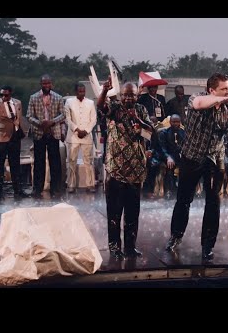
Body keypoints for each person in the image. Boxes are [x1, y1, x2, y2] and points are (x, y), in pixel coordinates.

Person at [165, 72, 228, 261]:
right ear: (211, 90)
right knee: (184, 200)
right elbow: (199, 104)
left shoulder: (227, 108)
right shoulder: (196, 98)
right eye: (224, 89)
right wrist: (217, 101)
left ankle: (207, 246)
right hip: (192, 157)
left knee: (213, 203)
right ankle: (176, 236)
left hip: (214, 160)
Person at [97, 78, 153, 260]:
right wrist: (104, 91)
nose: (129, 98)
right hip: (116, 170)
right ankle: (114, 248)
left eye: (132, 95)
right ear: (121, 96)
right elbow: (101, 107)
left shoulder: (142, 110)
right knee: (114, 213)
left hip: (136, 171)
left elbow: (150, 133)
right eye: (126, 95)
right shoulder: (114, 108)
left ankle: (130, 247)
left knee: (132, 214)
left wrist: (139, 123)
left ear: (137, 96)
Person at [27, 74, 65, 198]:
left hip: (53, 132)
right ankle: (37, 189)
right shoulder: (33, 98)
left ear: (51, 84)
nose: (46, 86)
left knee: (55, 163)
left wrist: (51, 122)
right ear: (41, 84)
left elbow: (63, 114)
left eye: (48, 83)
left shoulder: (58, 97)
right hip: (39, 133)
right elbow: (29, 116)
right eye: (44, 84)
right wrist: (41, 124)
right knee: (39, 163)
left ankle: (56, 189)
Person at [0, 85, 28, 199]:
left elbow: (19, 118)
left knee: (15, 164)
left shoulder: (17, 103)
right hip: (2, 137)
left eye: (6, 95)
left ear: (10, 94)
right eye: (2, 95)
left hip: (15, 137)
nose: (4, 97)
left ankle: (17, 190)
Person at [64, 82, 97, 193]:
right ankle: (71, 185)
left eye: (83, 91)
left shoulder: (91, 103)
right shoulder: (69, 102)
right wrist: (77, 130)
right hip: (73, 136)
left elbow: (93, 120)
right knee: (71, 161)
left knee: (88, 161)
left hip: (87, 136)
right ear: (75, 92)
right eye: (80, 91)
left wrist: (86, 131)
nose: (82, 93)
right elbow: (68, 119)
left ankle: (90, 184)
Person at [158, 114, 186, 199]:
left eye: (177, 122)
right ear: (170, 122)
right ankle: (169, 191)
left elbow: (185, 146)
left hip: (179, 156)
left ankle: (182, 192)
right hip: (168, 156)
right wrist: (168, 157)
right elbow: (162, 148)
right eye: (174, 122)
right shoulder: (164, 133)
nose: (176, 124)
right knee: (169, 167)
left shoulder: (183, 132)